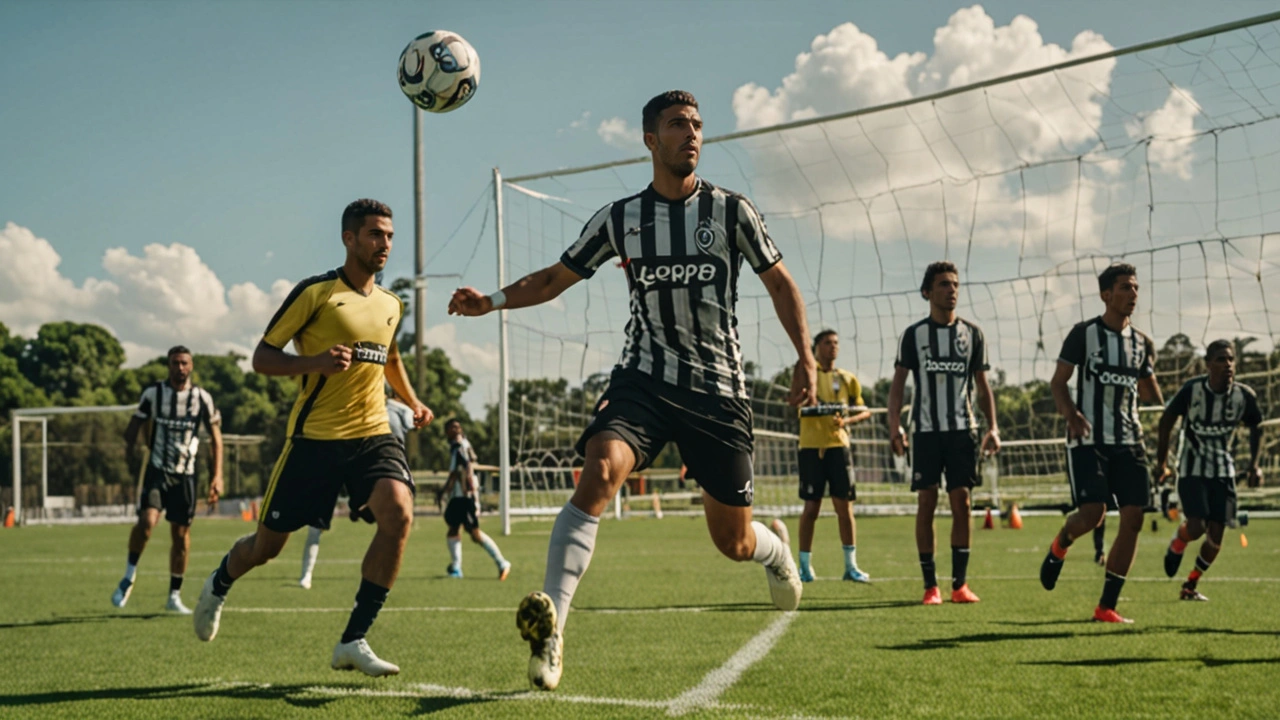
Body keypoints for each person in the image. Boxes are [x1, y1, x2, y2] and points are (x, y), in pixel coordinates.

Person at [448, 90, 815, 691]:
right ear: (651, 140)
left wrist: (804, 358)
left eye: (697, 124)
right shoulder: (621, 219)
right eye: (677, 125)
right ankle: (554, 632)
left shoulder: (731, 213)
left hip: (717, 393)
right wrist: (490, 302)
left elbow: (779, 283)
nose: (691, 133)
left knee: (733, 540)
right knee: (598, 471)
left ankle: (773, 552)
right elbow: (554, 277)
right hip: (642, 383)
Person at [192, 199, 433, 677]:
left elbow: (390, 359)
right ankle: (218, 583)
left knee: (400, 513)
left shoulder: (391, 304)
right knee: (266, 549)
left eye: (388, 235)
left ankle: (354, 638)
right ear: (348, 238)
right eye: (373, 234)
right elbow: (263, 357)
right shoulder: (316, 293)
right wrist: (315, 363)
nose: (384, 243)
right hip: (314, 441)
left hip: (372, 434)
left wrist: (411, 400)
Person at [1039, 263, 1163, 624]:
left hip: (1130, 440)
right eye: (1125, 287)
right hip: (1088, 440)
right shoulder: (1083, 335)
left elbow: (1149, 392)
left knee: (1134, 517)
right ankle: (1061, 542)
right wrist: (1072, 415)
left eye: (1136, 288)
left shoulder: (1142, 344)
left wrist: (1170, 404)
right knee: (1093, 515)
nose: (1133, 294)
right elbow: (1058, 383)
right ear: (1106, 294)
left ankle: (1106, 606)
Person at [887, 262, 1000, 606]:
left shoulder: (973, 335)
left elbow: (982, 386)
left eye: (955, 284)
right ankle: (930, 585)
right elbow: (898, 385)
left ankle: (960, 585)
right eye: (943, 285)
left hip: (963, 431)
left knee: (962, 502)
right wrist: (894, 427)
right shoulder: (914, 335)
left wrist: (993, 426)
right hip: (925, 432)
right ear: (927, 292)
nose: (951, 290)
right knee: (926, 501)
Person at [113, 345, 223, 614]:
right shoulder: (153, 394)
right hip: (157, 471)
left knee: (181, 535)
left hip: (186, 476)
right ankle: (129, 575)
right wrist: (132, 448)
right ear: (168, 366)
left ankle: (174, 595)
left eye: (184, 363)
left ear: (191, 366)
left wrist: (216, 476)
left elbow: (215, 438)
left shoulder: (202, 398)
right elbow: (134, 428)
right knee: (147, 522)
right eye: (175, 363)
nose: (180, 368)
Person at [1156, 340, 1263, 601]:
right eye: (1220, 359)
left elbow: (1257, 426)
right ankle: (1178, 542)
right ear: (1208, 365)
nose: (1227, 365)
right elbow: (1167, 420)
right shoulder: (1192, 390)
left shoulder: (1244, 396)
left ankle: (1190, 586)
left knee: (1216, 537)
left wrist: (1254, 465)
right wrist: (1162, 462)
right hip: (1192, 468)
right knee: (1196, 526)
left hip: (1223, 470)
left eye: (1230, 360)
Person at [298, 389, 419, 590]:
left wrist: (413, 404)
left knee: (390, 517)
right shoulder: (352, 405)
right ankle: (306, 574)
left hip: (377, 465)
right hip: (345, 459)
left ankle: (361, 509)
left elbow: (414, 420)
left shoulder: (395, 408)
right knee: (316, 524)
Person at [796, 329, 872, 583]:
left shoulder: (847, 378)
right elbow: (792, 401)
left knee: (844, 507)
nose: (833, 347)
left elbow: (864, 410)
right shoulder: (806, 374)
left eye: (836, 343)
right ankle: (804, 566)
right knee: (811, 508)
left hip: (838, 447)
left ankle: (851, 566)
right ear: (816, 347)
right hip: (810, 447)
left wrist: (846, 419)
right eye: (827, 343)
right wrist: (803, 401)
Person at [440, 418, 511, 579]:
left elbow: (461, 470)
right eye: (452, 427)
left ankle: (502, 562)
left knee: (474, 533)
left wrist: (450, 490)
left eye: (458, 426)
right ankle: (456, 567)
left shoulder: (460, 446)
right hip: (459, 496)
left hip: (465, 496)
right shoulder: (458, 446)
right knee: (453, 528)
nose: (456, 429)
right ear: (447, 431)